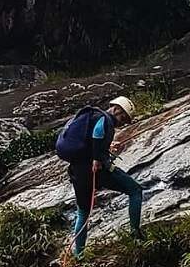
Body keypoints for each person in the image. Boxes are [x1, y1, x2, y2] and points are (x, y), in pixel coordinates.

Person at [55, 97, 143, 258]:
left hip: (77, 170)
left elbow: (89, 139)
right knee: (135, 190)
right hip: (95, 171)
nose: (122, 122)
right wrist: (99, 158)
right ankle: (136, 237)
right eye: (124, 117)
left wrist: (107, 147)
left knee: (83, 212)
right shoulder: (105, 120)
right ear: (117, 109)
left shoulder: (91, 115)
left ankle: (78, 255)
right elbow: (97, 135)